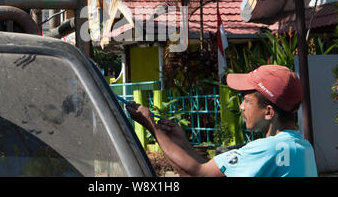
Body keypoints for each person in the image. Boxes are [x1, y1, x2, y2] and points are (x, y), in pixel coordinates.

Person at [126, 65, 318, 177]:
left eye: (247, 100)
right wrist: (182, 142)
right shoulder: (301, 145)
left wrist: (151, 125)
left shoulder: (269, 149)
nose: (242, 106)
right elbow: (213, 170)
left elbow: (199, 172)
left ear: (269, 112)